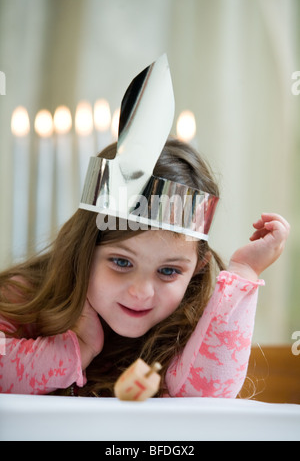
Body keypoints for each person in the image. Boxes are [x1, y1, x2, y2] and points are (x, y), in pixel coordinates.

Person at [0, 138, 290, 397]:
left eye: (168, 271)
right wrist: (77, 348)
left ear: (196, 270)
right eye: (122, 262)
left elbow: (206, 391)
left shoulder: (182, 330)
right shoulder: (24, 295)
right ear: (83, 253)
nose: (141, 292)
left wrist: (244, 273)